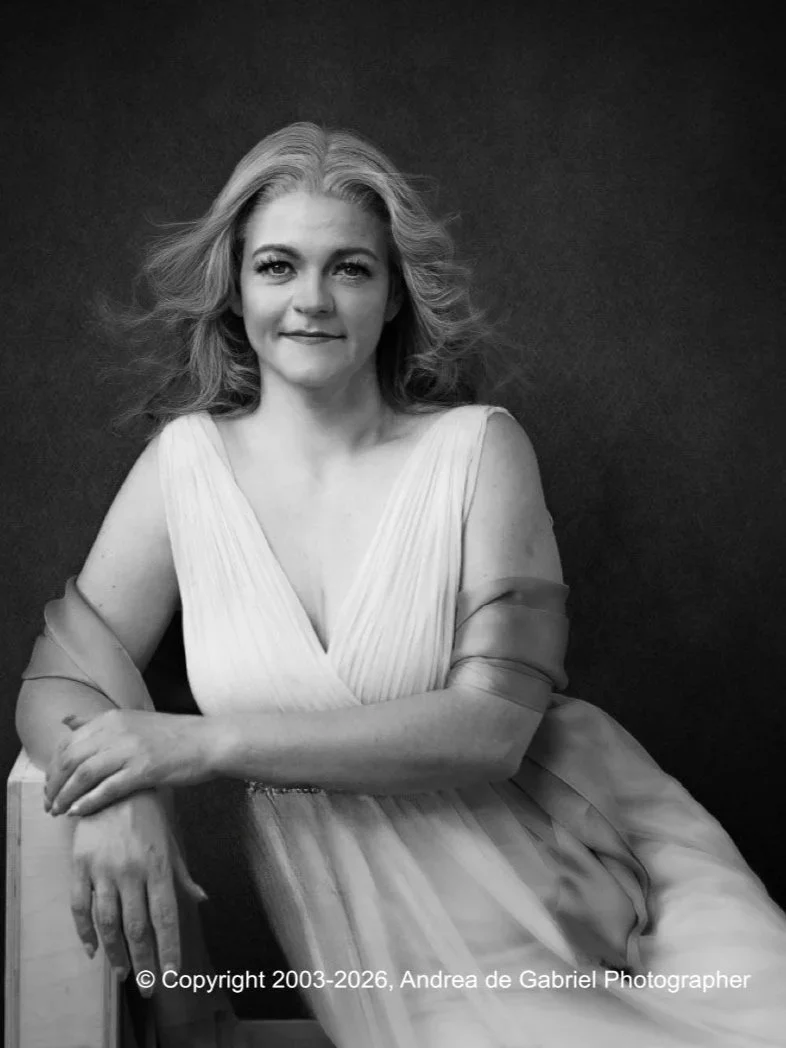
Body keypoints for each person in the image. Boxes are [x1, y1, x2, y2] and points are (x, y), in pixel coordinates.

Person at [15, 121, 786, 1048]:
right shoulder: (185, 471)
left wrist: (190, 746)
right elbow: (59, 680)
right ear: (234, 290)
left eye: (349, 268)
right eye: (276, 267)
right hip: (390, 955)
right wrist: (117, 787)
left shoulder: (477, 450)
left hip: (582, 883)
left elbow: (492, 731)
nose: (311, 300)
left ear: (393, 297)